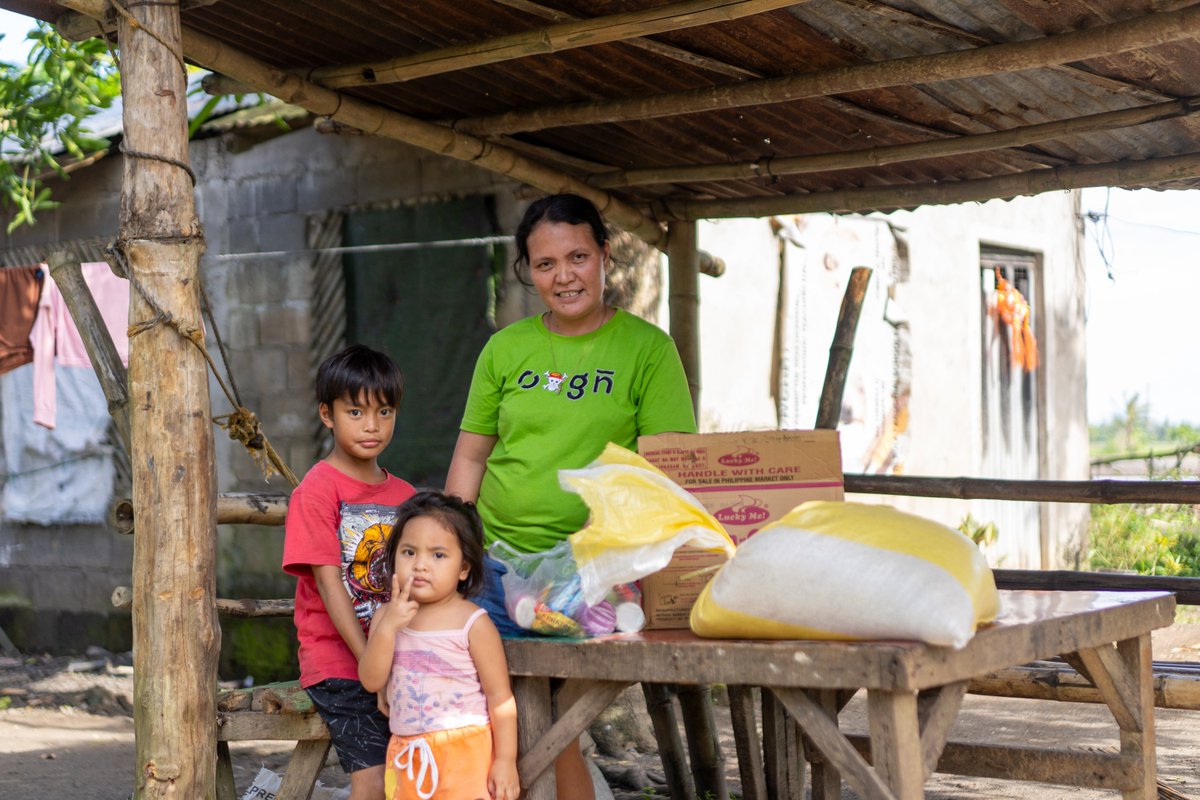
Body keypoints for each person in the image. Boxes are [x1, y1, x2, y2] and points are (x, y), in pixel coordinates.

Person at [446, 193, 697, 799]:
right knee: (488, 707)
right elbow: (471, 457)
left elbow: (665, 471)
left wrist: (619, 555)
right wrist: (453, 554)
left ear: (605, 255)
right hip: (496, 564)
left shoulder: (647, 350)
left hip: (595, 575)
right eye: (546, 264)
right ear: (528, 271)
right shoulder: (505, 350)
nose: (564, 276)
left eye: (577, 257)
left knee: (554, 713)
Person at [283, 344, 415, 800]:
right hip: (341, 663)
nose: (372, 426)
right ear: (327, 414)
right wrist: (369, 664)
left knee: (425, 767)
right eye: (355, 412)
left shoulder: (407, 497)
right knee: (374, 780)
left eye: (384, 412)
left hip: (402, 657)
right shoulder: (317, 490)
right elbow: (329, 583)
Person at [359, 491, 519, 800]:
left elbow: (500, 696)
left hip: (465, 754)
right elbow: (371, 680)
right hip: (406, 751)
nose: (420, 565)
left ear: (464, 568)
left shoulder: (473, 622)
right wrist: (389, 627)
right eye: (409, 552)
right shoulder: (385, 617)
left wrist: (505, 760)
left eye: (438, 555)